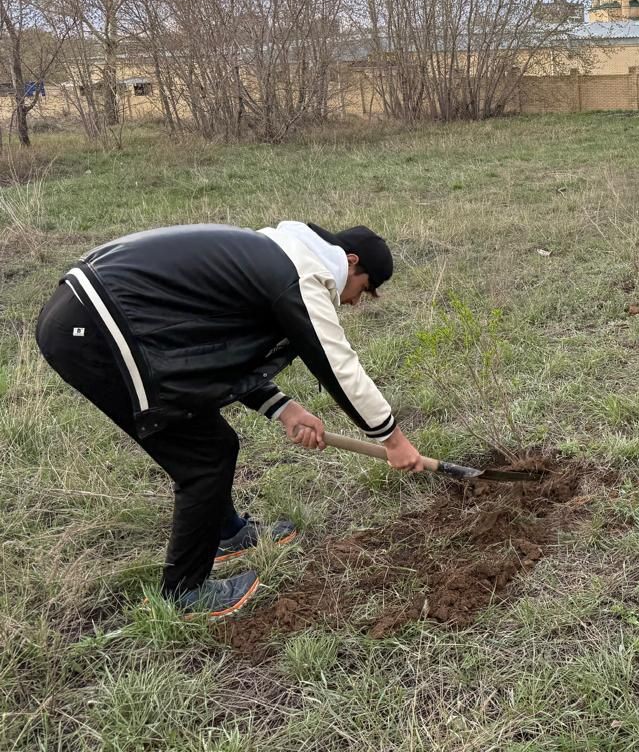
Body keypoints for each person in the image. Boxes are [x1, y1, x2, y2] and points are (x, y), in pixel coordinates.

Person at [35, 221, 428, 619]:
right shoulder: (301, 275)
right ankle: (184, 594)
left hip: (107, 319)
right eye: (363, 289)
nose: (356, 302)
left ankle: (225, 534)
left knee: (209, 440)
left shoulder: (276, 258)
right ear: (350, 262)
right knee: (205, 456)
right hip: (100, 328)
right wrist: (392, 440)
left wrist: (284, 409)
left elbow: (215, 353)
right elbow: (338, 366)